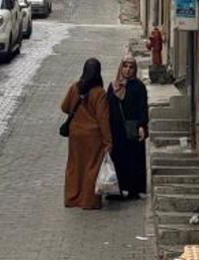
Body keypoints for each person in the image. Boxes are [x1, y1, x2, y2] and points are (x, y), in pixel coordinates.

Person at [61, 58, 112, 210]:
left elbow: (64, 107)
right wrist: (108, 140)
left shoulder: (75, 87)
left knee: (75, 166)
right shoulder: (99, 93)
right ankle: (88, 201)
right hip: (93, 137)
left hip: (76, 135)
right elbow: (103, 118)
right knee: (92, 167)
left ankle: (72, 198)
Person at [106, 55, 148, 200]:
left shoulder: (139, 86)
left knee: (133, 159)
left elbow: (143, 108)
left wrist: (142, 125)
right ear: (121, 67)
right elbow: (107, 107)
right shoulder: (113, 86)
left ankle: (133, 190)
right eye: (125, 66)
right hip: (116, 129)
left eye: (131, 67)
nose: (128, 70)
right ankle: (116, 188)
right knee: (117, 158)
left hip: (132, 128)